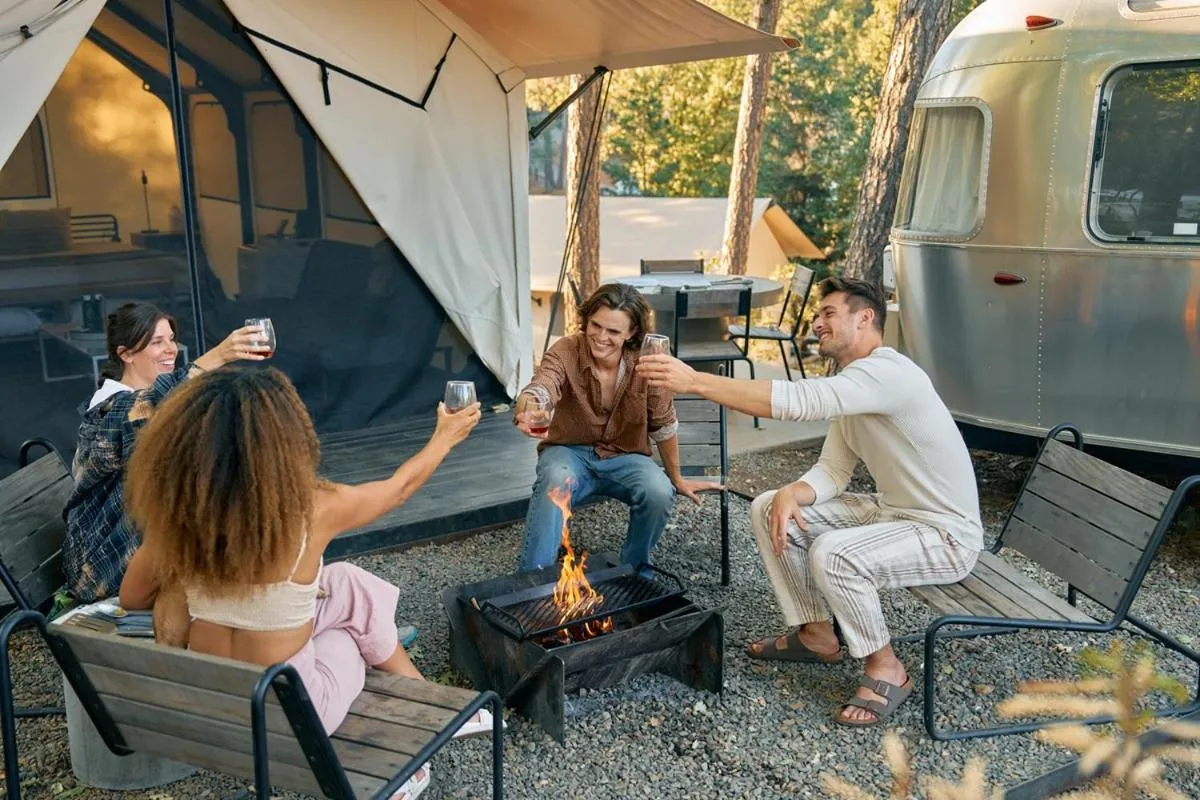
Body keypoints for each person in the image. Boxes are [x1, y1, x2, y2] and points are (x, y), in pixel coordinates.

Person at [118, 366, 488, 800]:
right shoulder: (313, 509)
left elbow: (132, 598)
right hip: (296, 717)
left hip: (216, 705)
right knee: (352, 636)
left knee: (346, 582)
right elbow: (399, 489)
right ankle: (413, 752)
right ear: (284, 441)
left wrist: (197, 584)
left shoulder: (177, 521)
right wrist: (444, 437)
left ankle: (433, 700)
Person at [636, 276, 983, 726]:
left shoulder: (889, 373)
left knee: (834, 554)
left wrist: (695, 381)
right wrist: (791, 492)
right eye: (817, 314)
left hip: (945, 533)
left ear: (865, 318)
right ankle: (817, 634)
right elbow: (834, 470)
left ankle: (887, 669)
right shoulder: (854, 382)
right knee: (768, 506)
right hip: (894, 514)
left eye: (829, 313)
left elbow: (801, 400)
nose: (817, 323)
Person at [63, 303, 269, 603]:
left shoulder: (158, 405)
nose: (171, 349)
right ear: (126, 354)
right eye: (157, 342)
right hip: (102, 566)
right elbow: (144, 409)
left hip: (147, 549)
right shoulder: (107, 411)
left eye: (171, 339)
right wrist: (219, 356)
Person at [513, 283, 718, 573]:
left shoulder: (648, 362)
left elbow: (663, 424)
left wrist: (676, 478)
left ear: (631, 332)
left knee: (659, 491)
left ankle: (634, 571)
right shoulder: (567, 350)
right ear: (587, 320)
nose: (600, 337)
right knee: (555, 478)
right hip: (569, 452)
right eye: (596, 325)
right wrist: (529, 406)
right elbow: (542, 385)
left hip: (625, 455)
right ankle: (532, 578)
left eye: (613, 331)